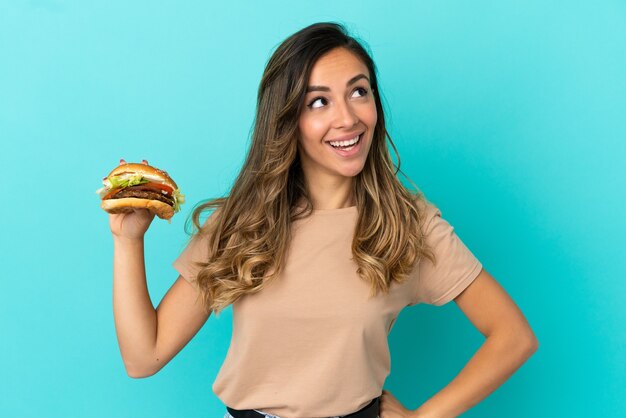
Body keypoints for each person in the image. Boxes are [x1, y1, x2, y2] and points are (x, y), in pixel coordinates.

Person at [108, 22, 538, 418]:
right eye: (319, 101)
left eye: (359, 91)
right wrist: (129, 240)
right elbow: (144, 357)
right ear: (288, 120)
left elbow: (514, 337)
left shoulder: (409, 224)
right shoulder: (240, 223)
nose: (347, 118)